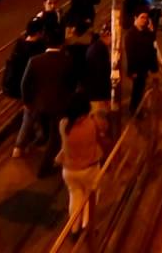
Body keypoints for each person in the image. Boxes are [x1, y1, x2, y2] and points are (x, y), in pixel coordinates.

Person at [18, 29, 76, 173]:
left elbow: (25, 83)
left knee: (44, 132)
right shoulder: (67, 60)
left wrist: (27, 101)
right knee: (55, 137)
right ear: (61, 43)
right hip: (59, 105)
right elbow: (72, 83)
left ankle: (28, 147)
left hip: (39, 105)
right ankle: (44, 168)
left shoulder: (35, 61)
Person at [56, 95, 107, 238]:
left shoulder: (63, 124)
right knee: (91, 197)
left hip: (69, 170)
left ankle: (74, 228)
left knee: (75, 197)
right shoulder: (92, 123)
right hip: (89, 168)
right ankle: (87, 226)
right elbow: (103, 129)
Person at [3, 18, 46, 100]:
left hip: (12, 87)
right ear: (39, 33)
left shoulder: (19, 45)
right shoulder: (36, 49)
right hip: (23, 90)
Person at [125, 10, 160, 110]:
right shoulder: (130, 35)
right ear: (135, 18)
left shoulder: (146, 32)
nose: (145, 20)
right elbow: (130, 55)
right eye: (142, 17)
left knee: (141, 89)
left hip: (145, 68)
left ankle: (138, 108)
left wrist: (152, 32)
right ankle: (134, 109)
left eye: (146, 18)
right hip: (137, 69)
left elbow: (152, 47)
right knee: (137, 91)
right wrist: (132, 71)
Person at [84, 27, 112, 112]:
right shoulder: (100, 49)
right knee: (100, 114)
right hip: (98, 92)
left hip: (94, 90)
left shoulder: (96, 46)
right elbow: (102, 71)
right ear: (107, 36)